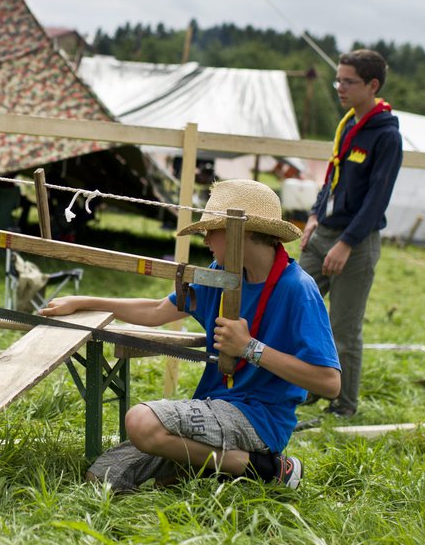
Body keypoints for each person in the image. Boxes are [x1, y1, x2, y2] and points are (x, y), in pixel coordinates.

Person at [40, 180, 341, 491]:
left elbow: (330, 383)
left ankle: (265, 469)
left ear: (244, 232)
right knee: (102, 477)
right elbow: (157, 311)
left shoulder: (297, 289)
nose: (205, 238)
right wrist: (85, 301)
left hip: (259, 420)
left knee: (142, 422)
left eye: (214, 229)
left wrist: (249, 348)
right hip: (215, 405)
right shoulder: (222, 275)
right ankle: (208, 468)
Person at [299, 49, 402, 418]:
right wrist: (313, 216)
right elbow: (332, 176)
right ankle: (307, 385)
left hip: (355, 243)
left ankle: (344, 405)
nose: (340, 86)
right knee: (298, 307)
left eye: (349, 81)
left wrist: (346, 243)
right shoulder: (347, 124)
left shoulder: (386, 135)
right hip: (323, 232)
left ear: (372, 85)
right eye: (338, 79)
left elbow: (377, 199)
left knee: (343, 327)